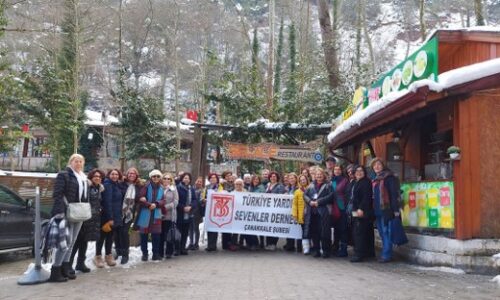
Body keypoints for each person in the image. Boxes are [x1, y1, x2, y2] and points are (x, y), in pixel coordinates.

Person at [49, 154, 88, 282]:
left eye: (81, 161)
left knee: (72, 242)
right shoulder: (64, 174)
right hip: (66, 212)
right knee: (65, 242)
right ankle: (55, 271)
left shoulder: (83, 177)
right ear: (71, 162)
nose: (79, 163)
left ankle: (65, 268)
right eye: (76, 161)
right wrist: (60, 212)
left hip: (79, 212)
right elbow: (57, 194)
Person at [69, 168, 104, 274]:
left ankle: (80, 263)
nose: (97, 178)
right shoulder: (86, 186)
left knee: (84, 241)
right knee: (76, 242)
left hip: (93, 218)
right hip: (83, 217)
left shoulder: (99, 188)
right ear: (91, 177)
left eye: (99, 176)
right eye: (95, 176)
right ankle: (69, 265)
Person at [371, 157, 401, 263]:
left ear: (383, 165)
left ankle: (386, 255)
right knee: (382, 233)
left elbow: (393, 194)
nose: (376, 167)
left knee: (386, 232)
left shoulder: (389, 177)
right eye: (374, 165)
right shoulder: (375, 179)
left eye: (379, 164)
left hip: (387, 209)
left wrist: (396, 210)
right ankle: (387, 253)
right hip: (377, 210)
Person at [95, 169, 124, 267]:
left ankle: (108, 255)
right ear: (109, 175)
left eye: (116, 174)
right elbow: (107, 202)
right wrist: (110, 218)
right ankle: (98, 257)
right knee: (102, 236)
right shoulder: (108, 184)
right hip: (107, 216)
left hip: (115, 215)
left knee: (110, 237)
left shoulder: (116, 185)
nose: (115, 176)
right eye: (112, 174)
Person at [303, 168, 334, 258]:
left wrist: (319, 202)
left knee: (324, 232)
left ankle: (326, 251)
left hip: (324, 212)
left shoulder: (328, 185)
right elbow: (304, 195)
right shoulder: (311, 185)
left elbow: (331, 196)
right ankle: (316, 250)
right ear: (314, 176)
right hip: (313, 213)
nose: (319, 176)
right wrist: (310, 202)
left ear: (324, 175)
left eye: (320, 174)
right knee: (314, 232)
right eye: (317, 175)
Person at [136, 170, 166, 261]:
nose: (156, 178)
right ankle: (144, 254)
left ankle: (155, 254)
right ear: (151, 177)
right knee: (143, 236)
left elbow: (163, 200)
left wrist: (156, 204)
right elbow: (140, 199)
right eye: (154, 176)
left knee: (156, 236)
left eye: (157, 176)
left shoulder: (161, 187)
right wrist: (149, 205)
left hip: (156, 214)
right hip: (145, 213)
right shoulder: (145, 186)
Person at [116, 168, 142, 265]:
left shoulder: (138, 186)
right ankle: (118, 250)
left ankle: (125, 254)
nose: (132, 175)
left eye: (134, 173)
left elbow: (139, 197)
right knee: (118, 231)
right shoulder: (121, 184)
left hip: (130, 213)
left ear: (136, 175)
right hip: (119, 211)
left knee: (124, 232)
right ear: (127, 174)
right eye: (130, 173)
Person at [349, 165, 375, 263]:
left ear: (364, 172)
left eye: (361, 171)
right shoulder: (357, 182)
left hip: (362, 210)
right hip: (358, 210)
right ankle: (368, 252)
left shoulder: (366, 182)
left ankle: (359, 254)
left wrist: (361, 208)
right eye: (357, 171)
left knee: (358, 232)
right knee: (366, 232)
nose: (359, 172)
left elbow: (366, 197)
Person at [176, 172, 197, 255]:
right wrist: (183, 207)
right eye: (185, 178)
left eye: (188, 178)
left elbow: (195, 200)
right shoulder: (178, 188)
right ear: (182, 179)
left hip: (188, 214)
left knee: (185, 232)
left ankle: (183, 248)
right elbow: (176, 200)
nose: (186, 179)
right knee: (178, 232)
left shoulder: (191, 189)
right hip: (179, 213)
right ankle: (176, 249)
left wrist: (191, 206)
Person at [264, 171, 286, 251]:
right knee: (268, 227)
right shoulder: (268, 185)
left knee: (274, 227)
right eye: (271, 176)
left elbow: (280, 197)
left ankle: (273, 244)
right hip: (267, 210)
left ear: (277, 178)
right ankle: (268, 243)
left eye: (274, 176)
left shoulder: (280, 186)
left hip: (276, 210)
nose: (273, 178)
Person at [331, 165, 349, 257]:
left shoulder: (345, 180)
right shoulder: (332, 180)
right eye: (335, 169)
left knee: (343, 228)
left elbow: (347, 194)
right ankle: (335, 247)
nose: (337, 171)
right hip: (333, 207)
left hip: (342, 207)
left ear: (342, 171)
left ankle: (344, 249)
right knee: (336, 229)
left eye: (339, 169)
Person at [159, 173, 179, 259]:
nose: (166, 180)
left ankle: (169, 252)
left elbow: (176, 202)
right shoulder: (159, 188)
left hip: (169, 215)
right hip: (159, 215)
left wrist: (165, 207)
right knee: (160, 235)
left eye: (169, 179)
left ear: (171, 181)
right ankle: (159, 253)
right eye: (165, 178)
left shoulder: (173, 189)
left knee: (169, 235)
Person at [204, 173, 224, 251]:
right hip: (208, 209)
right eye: (211, 178)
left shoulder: (219, 187)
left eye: (214, 178)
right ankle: (209, 245)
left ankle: (213, 245)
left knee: (214, 227)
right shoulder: (207, 187)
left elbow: (220, 196)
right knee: (209, 227)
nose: (213, 179)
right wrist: (204, 200)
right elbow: (203, 196)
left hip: (216, 210)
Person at [293, 174, 310, 254]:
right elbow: (294, 204)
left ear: (307, 180)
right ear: (299, 182)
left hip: (311, 214)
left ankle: (313, 246)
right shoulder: (297, 191)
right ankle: (306, 248)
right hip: (302, 215)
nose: (303, 181)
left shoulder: (311, 188)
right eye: (301, 180)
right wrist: (295, 215)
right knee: (304, 231)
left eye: (304, 179)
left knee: (312, 231)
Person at [220, 171, 237, 251]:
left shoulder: (234, 184)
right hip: (225, 207)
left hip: (233, 207)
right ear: (224, 177)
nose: (229, 177)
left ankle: (231, 243)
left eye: (230, 175)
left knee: (232, 226)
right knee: (225, 226)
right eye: (227, 176)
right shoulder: (222, 184)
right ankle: (225, 244)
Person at [284, 173, 300, 252]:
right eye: (290, 179)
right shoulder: (287, 188)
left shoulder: (298, 187)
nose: (291, 180)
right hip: (288, 211)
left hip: (296, 210)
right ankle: (289, 245)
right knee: (289, 227)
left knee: (296, 228)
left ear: (296, 179)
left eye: (293, 178)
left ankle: (299, 246)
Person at [188, 176, 204, 250]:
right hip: (190, 210)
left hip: (197, 212)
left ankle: (196, 243)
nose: (199, 183)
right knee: (190, 228)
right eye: (198, 181)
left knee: (196, 228)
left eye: (200, 182)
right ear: (195, 181)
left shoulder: (202, 191)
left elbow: (201, 201)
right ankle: (191, 243)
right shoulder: (190, 189)